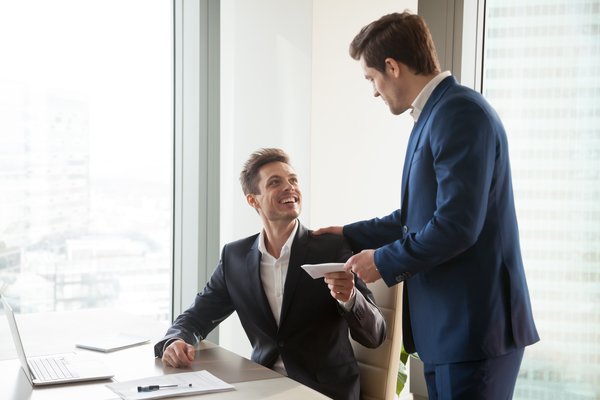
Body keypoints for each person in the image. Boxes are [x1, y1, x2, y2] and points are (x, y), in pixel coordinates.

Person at [315, 11, 539, 399]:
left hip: (474, 331)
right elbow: (415, 219)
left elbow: (456, 225)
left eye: (372, 78)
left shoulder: (460, 113)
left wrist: (380, 261)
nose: (373, 91)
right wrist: (349, 233)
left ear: (392, 66)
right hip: (450, 332)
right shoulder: (434, 115)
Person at [155, 148, 386, 400]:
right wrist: (174, 341)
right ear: (253, 200)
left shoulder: (332, 247)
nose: (290, 187)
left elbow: (376, 336)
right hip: (262, 386)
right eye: (275, 182)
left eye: (293, 180)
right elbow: (197, 317)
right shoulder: (235, 257)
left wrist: (350, 298)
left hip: (323, 391)